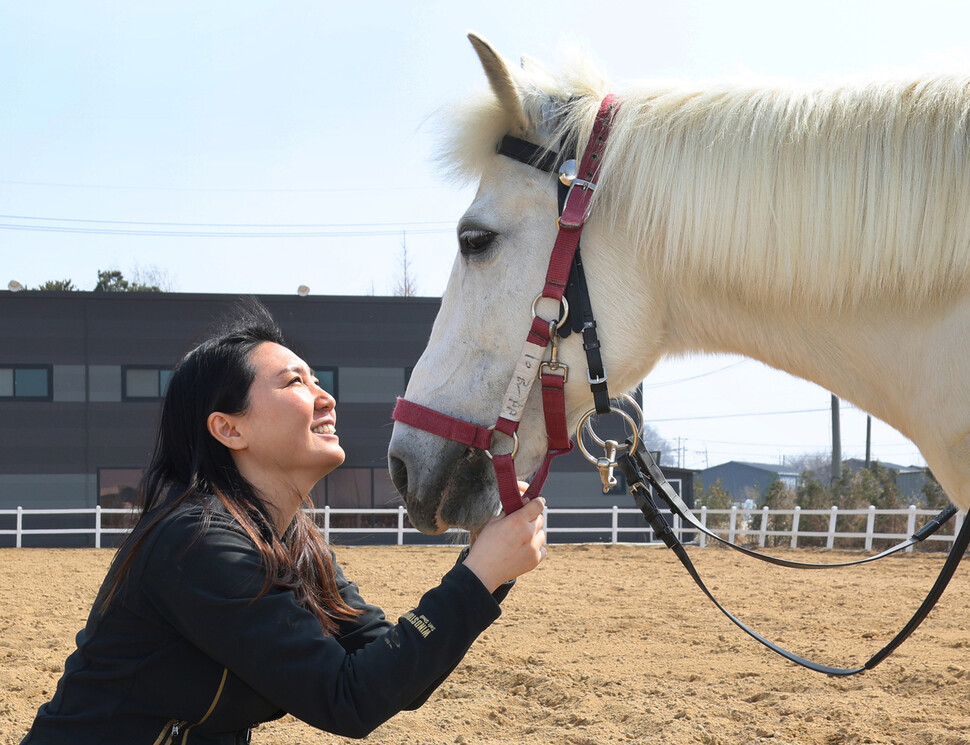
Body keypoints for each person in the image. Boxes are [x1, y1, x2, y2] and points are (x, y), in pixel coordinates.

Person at [21, 300, 547, 744]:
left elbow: (392, 676)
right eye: (295, 382)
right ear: (229, 429)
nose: (326, 397)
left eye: (316, 379)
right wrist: (476, 577)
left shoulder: (291, 538)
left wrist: (483, 566)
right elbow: (349, 698)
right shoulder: (197, 543)